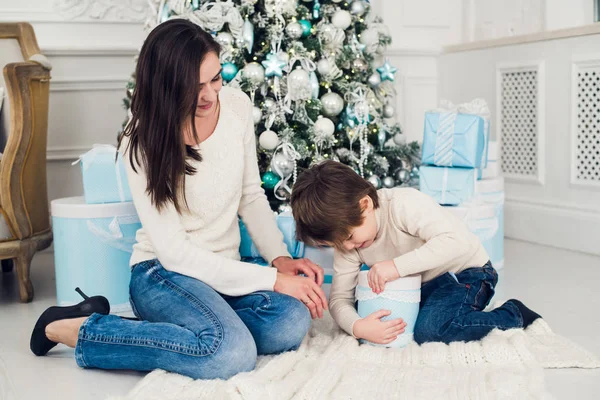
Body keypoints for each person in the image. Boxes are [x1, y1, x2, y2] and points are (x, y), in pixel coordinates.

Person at [30, 19, 328, 380]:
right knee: (230, 354)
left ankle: (176, 333)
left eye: (215, 79)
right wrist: (272, 281)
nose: (209, 95)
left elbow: (250, 195)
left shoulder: (236, 107)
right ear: (167, 86)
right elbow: (176, 254)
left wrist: (279, 260)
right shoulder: (141, 141)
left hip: (221, 270)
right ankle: (75, 328)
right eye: (193, 86)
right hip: (162, 273)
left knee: (291, 320)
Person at [290, 160, 541, 345]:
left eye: (348, 237)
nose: (346, 248)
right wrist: (358, 327)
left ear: (365, 205)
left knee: (431, 331)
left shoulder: (403, 205)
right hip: (418, 284)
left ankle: (513, 314)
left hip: (466, 273)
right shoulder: (347, 240)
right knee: (363, 309)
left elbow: (455, 242)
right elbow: (339, 300)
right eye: (336, 244)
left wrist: (395, 266)